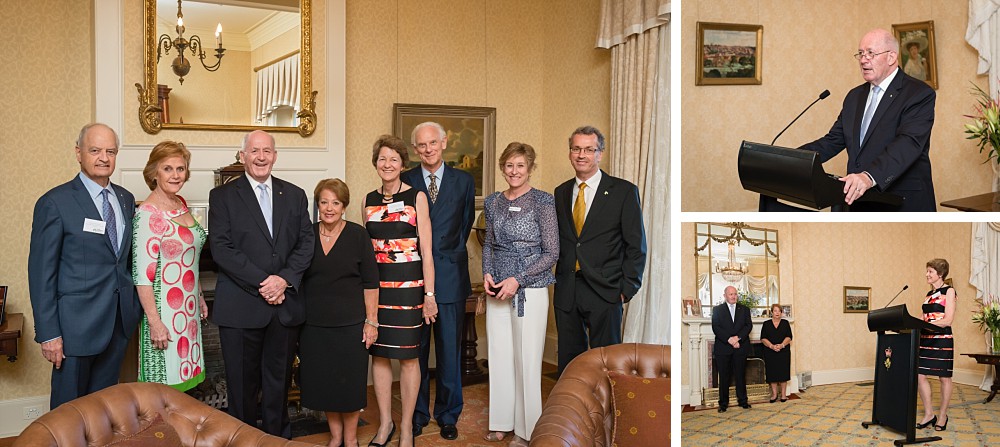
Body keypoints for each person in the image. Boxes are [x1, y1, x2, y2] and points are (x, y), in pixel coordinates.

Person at [208, 130, 314, 438]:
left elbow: (306, 242)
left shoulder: (294, 194)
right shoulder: (224, 196)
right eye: (254, 151)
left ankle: (277, 441)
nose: (261, 157)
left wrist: (283, 279)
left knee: (278, 384)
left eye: (267, 151)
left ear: (275, 156)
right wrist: (263, 281)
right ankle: (243, 442)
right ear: (243, 156)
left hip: (284, 307)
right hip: (241, 307)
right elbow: (222, 247)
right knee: (242, 388)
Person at [28, 123, 141, 409]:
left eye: (110, 151)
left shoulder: (126, 199)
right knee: (69, 412)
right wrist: (49, 333)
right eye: (95, 150)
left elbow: (123, 260)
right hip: (73, 328)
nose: (104, 158)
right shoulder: (55, 202)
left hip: (117, 323)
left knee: (104, 410)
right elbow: (41, 274)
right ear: (78, 153)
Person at [799, 28, 936, 212]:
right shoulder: (854, 96)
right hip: (858, 201)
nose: (863, 60)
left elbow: (907, 144)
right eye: (861, 53)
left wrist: (868, 176)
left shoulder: (918, 94)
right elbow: (832, 141)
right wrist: (792, 159)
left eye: (871, 53)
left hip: (901, 202)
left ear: (891, 57)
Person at [400, 122, 475, 440]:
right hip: (413, 277)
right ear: (415, 149)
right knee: (414, 352)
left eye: (432, 143)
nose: (427, 149)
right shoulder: (406, 180)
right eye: (421, 145)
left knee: (449, 351)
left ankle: (447, 414)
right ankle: (416, 415)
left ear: (444, 143)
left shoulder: (464, 180)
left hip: (451, 276)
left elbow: (465, 223)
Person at [553, 125, 647, 375]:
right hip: (568, 290)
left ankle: (609, 412)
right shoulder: (561, 192)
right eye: (576, 149)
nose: (581, 155)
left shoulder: (624, 191)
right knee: (569, 362)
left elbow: (636, 245)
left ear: (600, 153)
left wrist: (627, 289)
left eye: (588, 149)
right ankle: (575, 411)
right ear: (570, 152)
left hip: (606, 290)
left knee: (609, 363)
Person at [482, 143, 558, 446]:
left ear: (530, 168)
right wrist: (487, 272)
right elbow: (488, 243)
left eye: (520, 166)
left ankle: (528, 430)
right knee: (499, 355)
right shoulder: (492, 202)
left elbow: (552, 251)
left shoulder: (542, 201)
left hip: (530, 287)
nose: (514, 171)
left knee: (527, 359)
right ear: (502, 168)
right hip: (497, 287)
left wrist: (519, 279)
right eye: (509, 165)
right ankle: (501, 422)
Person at [365, 135, 437, 447]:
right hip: (378, 291)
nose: (388, 164)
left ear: (403, 164)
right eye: (382, 158)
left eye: (394, 159)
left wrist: (429, 296)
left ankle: (406, 428)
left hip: (409, 290)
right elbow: (366, 253)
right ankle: (385, 425)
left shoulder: (416, 197)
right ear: (376, 163)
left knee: (409, 358)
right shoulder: (367, 200)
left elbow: (428, 251)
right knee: (379, 356)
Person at [298, 179, 379, 447]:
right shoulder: (306, 235)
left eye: (335, 202)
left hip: (351, 325)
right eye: (324, 202)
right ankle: (335, 436)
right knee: (325, 386)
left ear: (343, 206)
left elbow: (371, 283)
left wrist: (371, 322)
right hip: (314, 326)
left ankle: (351, 438)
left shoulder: (358, 235)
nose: (329, 208)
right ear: (317, 204)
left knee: (349, 386)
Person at [133, 141, 208, 391]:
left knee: (187, 387)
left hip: (188, 312)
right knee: (164, 392)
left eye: (181, 168)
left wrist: (199, 297)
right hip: (164, 314)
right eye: (167, 168)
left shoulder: (181, 204)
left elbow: (190, 258)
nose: (176, 175)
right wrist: (155, 323)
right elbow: (142, 275)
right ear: (154, 173)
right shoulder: (148, 214)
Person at [916, 258, 956, 432]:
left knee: (944, 377)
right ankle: (929, 414)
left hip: (942, 339)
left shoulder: (950, 291)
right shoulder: (928, 294)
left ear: (940, 274)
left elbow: (948, 319)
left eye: (930, 271)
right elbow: (924, 317)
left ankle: (942, 415)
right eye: (927, 271)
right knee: (920, 376)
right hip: (925, 339)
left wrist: (927, 325)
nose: (927, 274)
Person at [712, 286, 752, 412]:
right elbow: (716, 327)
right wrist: (730, 340)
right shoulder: (717, 310)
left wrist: (738, 338)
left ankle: (743, 401)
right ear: (725, 295)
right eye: (731, 294)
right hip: (723, 348)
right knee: (724, 377)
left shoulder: (744, 309)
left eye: (735, 294)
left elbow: (748, 325)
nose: (733, 296)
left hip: (740, 346)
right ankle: (723, 404)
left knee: (740, 375)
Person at [760, 303, 792, 403]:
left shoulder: (785, 323)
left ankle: (783, 395)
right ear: (772, 312)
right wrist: (772, 346)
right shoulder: (766, 324)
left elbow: (789, 337)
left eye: (779, 311)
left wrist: (782, 345)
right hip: (770, 352)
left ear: (781, 313)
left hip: (783, 352)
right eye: (775, 311)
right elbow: (763, 338)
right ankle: (774, 395)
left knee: (783, 373)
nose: (777, 313)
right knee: (772, 373)